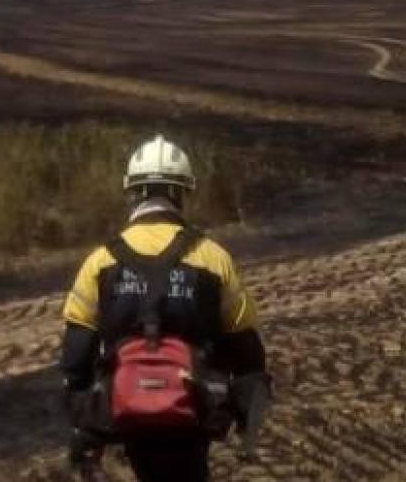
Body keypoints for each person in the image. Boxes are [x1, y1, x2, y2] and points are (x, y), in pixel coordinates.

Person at [60, 135, 270, 482]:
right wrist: (247, 412)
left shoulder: (100, 261)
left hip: (125, 410)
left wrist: (84, 422)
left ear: (133, 193)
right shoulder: (213, 258)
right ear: (181, 193)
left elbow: (76, 352)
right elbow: (246, 345)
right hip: (192, 410)